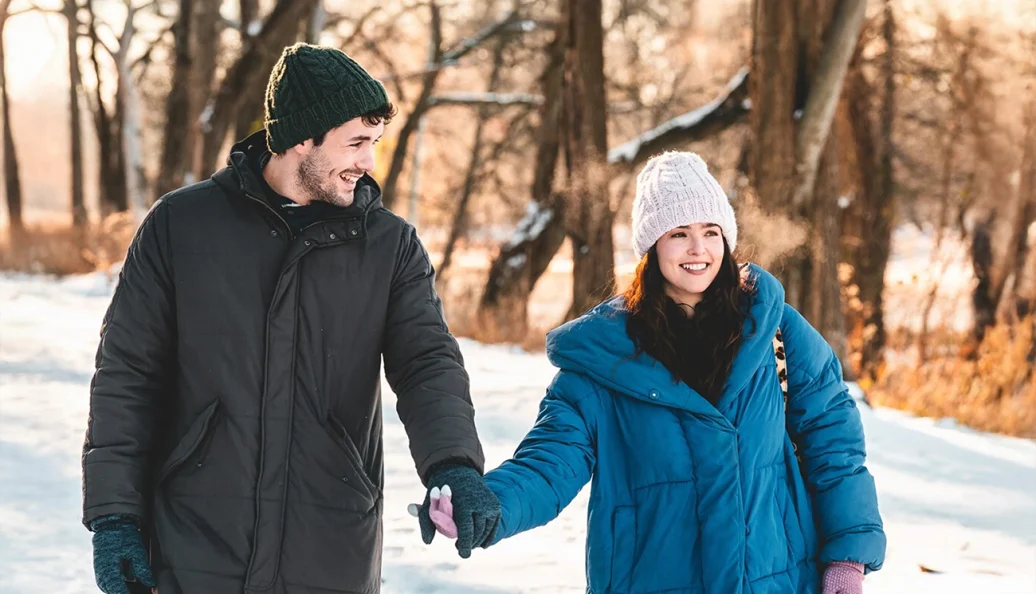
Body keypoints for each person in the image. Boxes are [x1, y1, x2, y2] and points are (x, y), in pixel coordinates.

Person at [82, 42, 499, 594]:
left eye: (373, 144)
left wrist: (454, 465)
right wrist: (115, 518)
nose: (368, 163)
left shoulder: (388, 247)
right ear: (302, 139)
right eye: (356, 143)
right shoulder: (181, 227)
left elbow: (427, 365)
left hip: (329, 544)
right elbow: (127, 375)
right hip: (196, 544)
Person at [415, 151, 886, 594]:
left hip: (775, 578)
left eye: (711, 231)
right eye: (678, 233)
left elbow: (834, 448)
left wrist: (847, 557)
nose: (697, 248)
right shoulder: (604, 360)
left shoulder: (778, 333)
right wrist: (488, 505)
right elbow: (550, 463)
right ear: (652, 246)